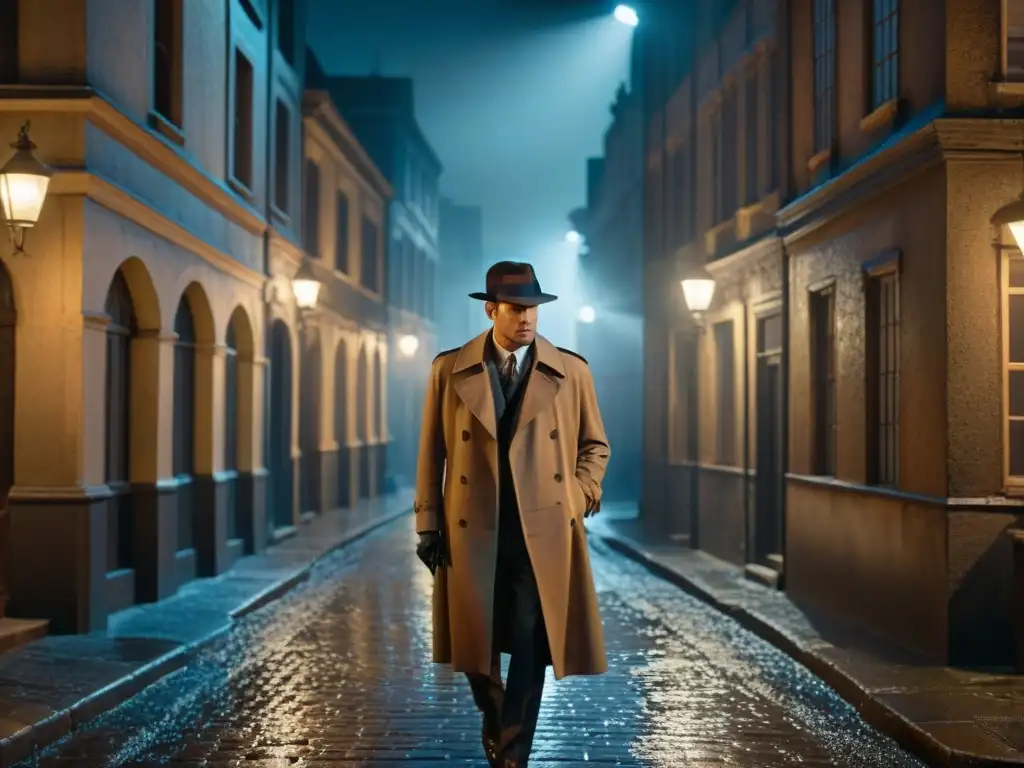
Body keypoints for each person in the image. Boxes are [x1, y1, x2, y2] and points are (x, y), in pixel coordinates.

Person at [414, 260, 611, 767]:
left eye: (534, 310)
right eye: (516, 309)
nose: (527, 319)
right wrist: (428, 523)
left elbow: (596, 445)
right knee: (475, 649)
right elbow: (430, 452)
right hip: (472, 528)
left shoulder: (572, 370)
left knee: (529, 644)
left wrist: (579, 493)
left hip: (540, 529)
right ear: (491, 310)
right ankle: (497, 716)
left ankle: (513, 754)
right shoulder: (448, 369)